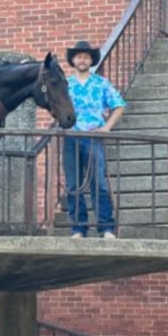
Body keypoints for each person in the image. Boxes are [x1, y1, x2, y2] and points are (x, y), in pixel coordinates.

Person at [63, 40, 126, 239]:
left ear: (91, 61)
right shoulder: (65, 84)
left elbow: (119, 105)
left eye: (86, 57)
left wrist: (107, 127)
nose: (82, 60)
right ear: (73, 60)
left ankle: (106, 227)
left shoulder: (101, 83)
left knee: (98, 183)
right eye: (79, 56)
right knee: (73, 184)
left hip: (93, 136)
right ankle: (78, 228)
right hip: (71, 137)